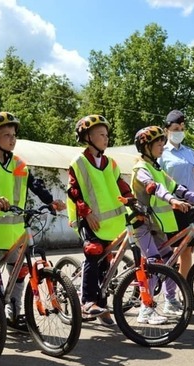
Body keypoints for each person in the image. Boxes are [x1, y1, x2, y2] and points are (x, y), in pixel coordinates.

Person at [0, 111, 65, 336]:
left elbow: (35, 184)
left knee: (20, 272)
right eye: (6, 134)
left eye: (13, 135)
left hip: (12, 229)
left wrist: (51, 201)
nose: (12, 139)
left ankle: (13, 314)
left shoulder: (19, 163)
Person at [132, 126, 194, 322]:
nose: (161, 147)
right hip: (142, 223)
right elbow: (154, 187)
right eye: (158, 145)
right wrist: (172, 201)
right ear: (146, 147)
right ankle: (145, 309)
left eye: (162, 144)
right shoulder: (141, 168)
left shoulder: (156, 168)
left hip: (157, 225)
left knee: (169, 262)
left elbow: (177, 187)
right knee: (154, 263)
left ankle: (170, 301)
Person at [67, 114, 134, 327]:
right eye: (101, 135)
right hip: (89, 220)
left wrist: (132, 200)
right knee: (94, 252)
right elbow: (74, 191)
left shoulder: (110, 162)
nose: (106, 139)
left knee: (107, 263)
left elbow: (120, 185)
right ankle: (88, 301)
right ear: (87, 136)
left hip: (111, 222)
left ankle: (102, 306)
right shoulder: (79, 162)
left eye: (107, 135)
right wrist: (86, 212)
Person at [158, 109, 194, 278]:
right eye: (176, 129)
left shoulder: (189, 152)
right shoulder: (162, 153)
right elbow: (158, 180)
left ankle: (184, 287)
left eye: (182, 128)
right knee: (173, 249)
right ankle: (171, 287)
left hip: (190, 206)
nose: (179, 132)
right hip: (172, 207)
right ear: (166, 130)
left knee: (188, 249)